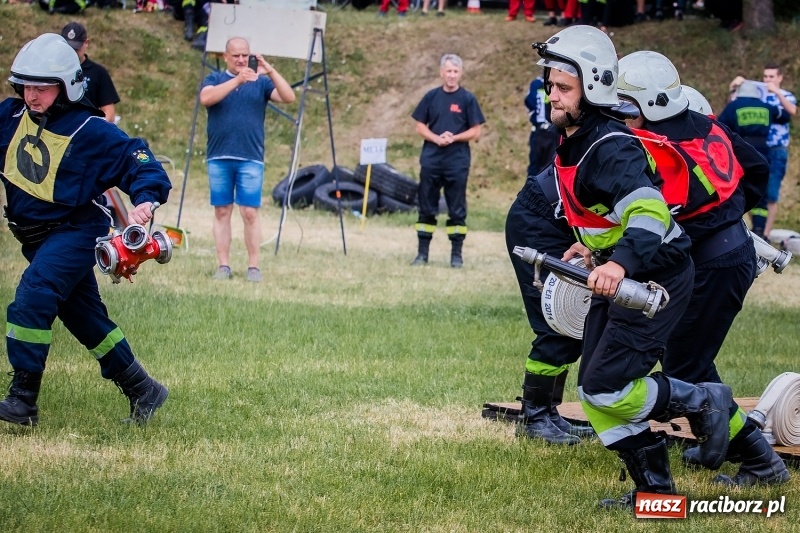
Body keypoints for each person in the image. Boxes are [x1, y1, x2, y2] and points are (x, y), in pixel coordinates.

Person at [531, 25, 734, 508]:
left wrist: (619, 264)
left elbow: (649, 211)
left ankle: (704, 401)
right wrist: (591, 249)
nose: (552, 96)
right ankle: (657, 493)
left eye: (564, 88)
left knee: (606, 388)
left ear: (592, 88)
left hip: (656, 278)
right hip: (626, 273)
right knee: (594, 392)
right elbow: (607, 213)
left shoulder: (609, 146)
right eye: (550, 85)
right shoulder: (577, 139)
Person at [617, 51, 789, 487]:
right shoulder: (704, 122)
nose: (622, 113)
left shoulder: (658, 144)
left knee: (684, 367)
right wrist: (729, 213)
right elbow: (756, 167)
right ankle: (720, 438)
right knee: (690, 358)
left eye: (627, 104)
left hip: (716, 263)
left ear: (651, 101)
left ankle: (761, 462)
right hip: (722, 254)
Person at [0, 33, 171, 427]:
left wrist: (146, 198)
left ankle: (23, 400)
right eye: (26, 86)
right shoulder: (10, 117)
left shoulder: (91, 130)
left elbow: (139, 159)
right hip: (35, 239)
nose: (32, 96)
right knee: (84, 318)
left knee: (33, 295)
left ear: (66, 86)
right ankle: (143, 389)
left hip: (76, 232)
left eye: (42, 88)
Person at [199, 37, 295, 282]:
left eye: (245, 55)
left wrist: (270, 70)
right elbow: (206, 99)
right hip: (219, 156)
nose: (241, 60)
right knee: (222, 211)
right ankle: (223, 265)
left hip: (251, 157)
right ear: (226, 57)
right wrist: (237, 80)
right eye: (236, 56)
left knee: (250, 212)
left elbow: (288, 97)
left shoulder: (261, 83)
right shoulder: (215, 78)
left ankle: (253, 267)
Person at [411, 54, 485, 269]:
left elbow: (476, 131)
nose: (452, 75)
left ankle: (456, 257)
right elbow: (419, 126)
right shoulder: (431, 96)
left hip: (457, 162)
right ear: (441, 73)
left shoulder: (468, 99)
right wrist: (436, 138)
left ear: (460, 73)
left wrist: (454, 137)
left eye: (455, 71)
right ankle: (422, 255)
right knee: (426, 207)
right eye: (448, 71)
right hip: (431, 161)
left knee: (457, 210)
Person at [730, 65, 797, 240]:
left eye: (771, 76)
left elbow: (792, 111)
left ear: (780, 78)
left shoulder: (786, 95)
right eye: (765, 76)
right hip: (757, 149)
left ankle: (765, 234)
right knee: (754, 191)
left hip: (777, 149)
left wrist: (778, 93)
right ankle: (756, 231)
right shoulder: (758, 95)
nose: (767, 80)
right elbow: (734, 108)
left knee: (771, 193)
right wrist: (734, 88)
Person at [60, 22, 120, 124]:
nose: (72, 52)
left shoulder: (98, 72)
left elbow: (109, 112)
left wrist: (95, 127)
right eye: (69, 47)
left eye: (76, 48)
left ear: (86, 43)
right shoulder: (54, 70)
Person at [524, 75, 559, 177]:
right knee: (534, 167)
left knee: (549, 167)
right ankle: (531, 186)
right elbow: (528, 103)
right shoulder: (536, 84)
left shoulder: (556, 83)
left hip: (553, 131)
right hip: (539, 131)